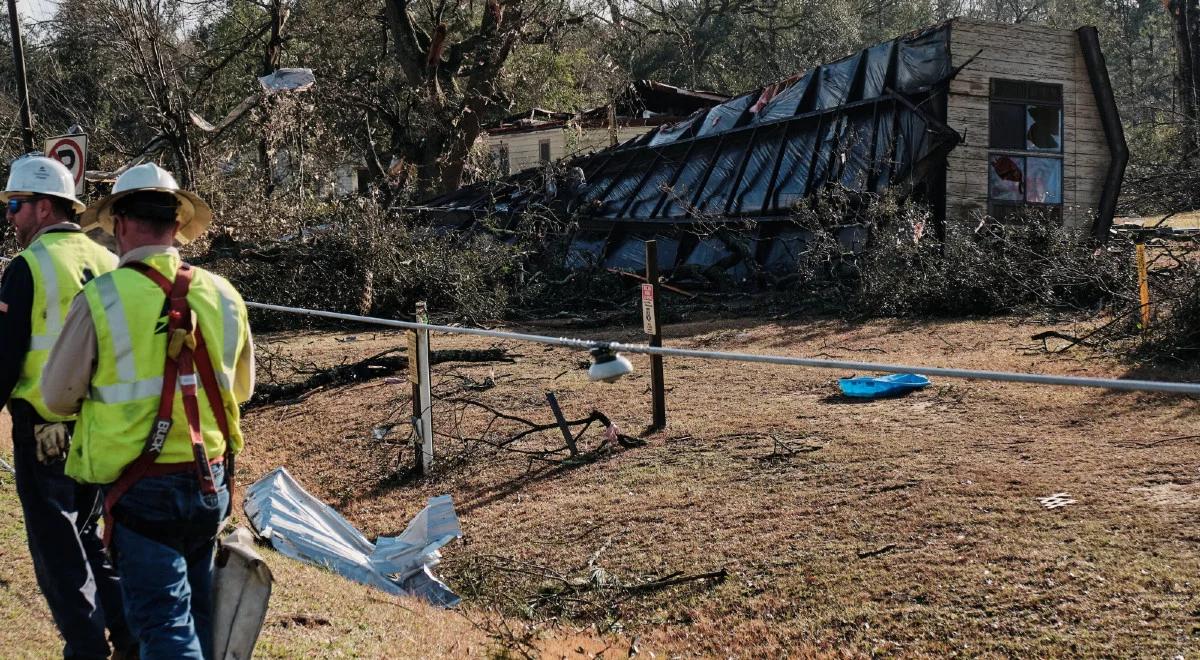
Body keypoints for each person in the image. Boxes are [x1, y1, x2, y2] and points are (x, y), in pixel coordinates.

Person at [42, 162, 255, 659]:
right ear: (178, 225)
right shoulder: (224, 294)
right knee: (199, 614)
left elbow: (57, 396)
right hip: (210, 483)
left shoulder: (103, 297)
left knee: (164, 628)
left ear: (118, 224)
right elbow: (240, 390)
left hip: (139, 491)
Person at [0, 155, 132, 659]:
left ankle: (85, 647)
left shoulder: (28, 266)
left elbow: (5, 356)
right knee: (90, 535)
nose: (10, 216)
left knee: (57, 547)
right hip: (97, 424)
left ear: (43, 206)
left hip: (42, 427)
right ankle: (126, 633)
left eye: (15, 205)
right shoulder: (107, 260)